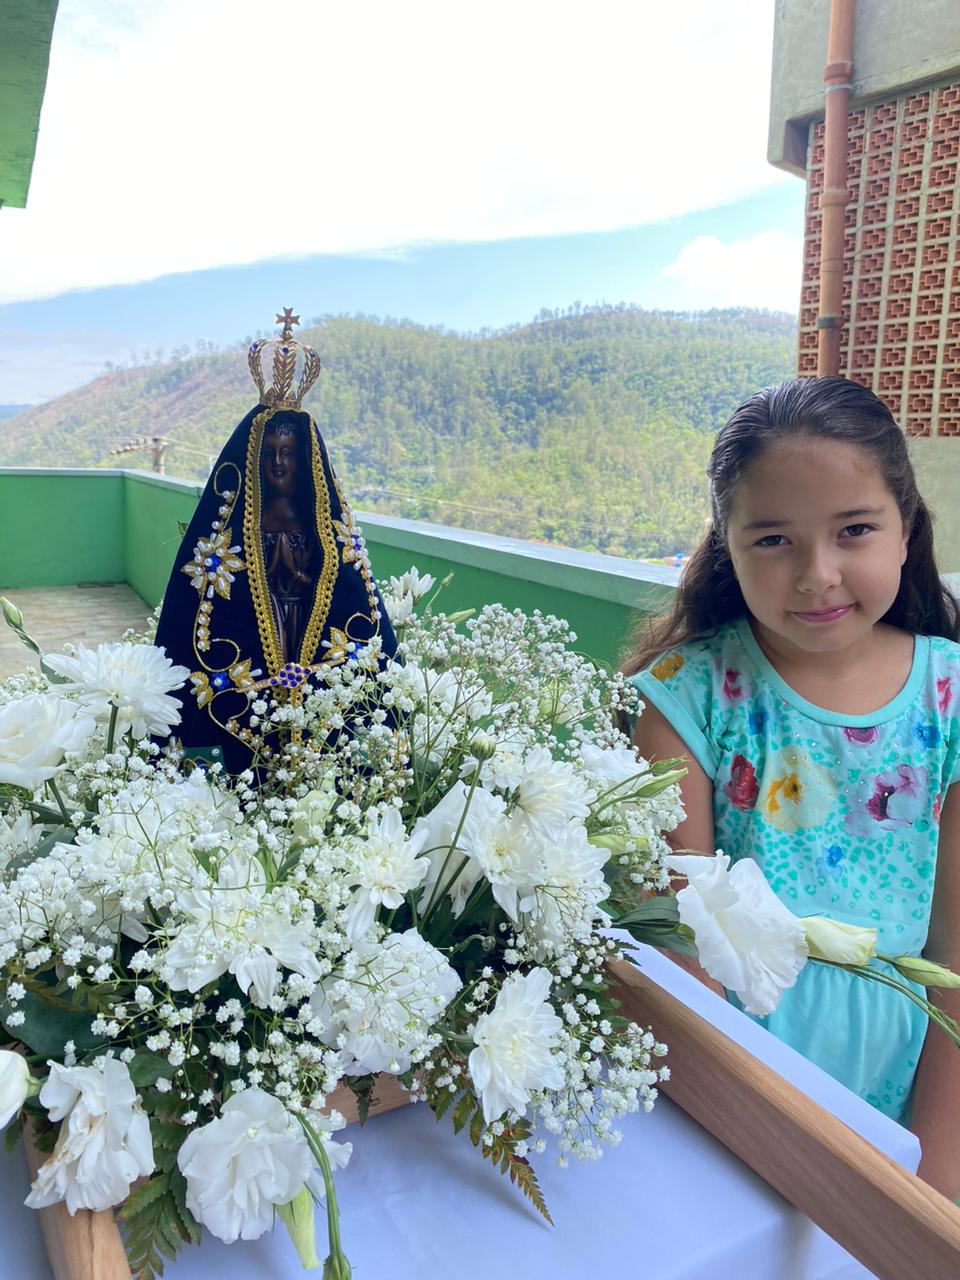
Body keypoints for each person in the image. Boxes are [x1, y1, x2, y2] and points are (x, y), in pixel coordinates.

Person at [624, 376, 960, 1201]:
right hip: (723, 1093)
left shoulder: (951, 698)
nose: (818, 574)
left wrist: (936, 1175)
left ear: (907, 531)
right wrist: (746, 1128)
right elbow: (681, 944)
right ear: (727, 546)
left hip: (906, 1095)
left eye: (855, 530)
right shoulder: (683, 698)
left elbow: (955, 954)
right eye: (773, 539)